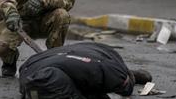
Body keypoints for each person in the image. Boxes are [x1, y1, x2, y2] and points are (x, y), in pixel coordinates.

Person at [19, 42, 152, 99]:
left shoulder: (104, 71)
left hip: (99, 54)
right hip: (41, 61)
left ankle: (130, 73)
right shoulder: (29, 77)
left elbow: (125, 87)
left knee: (123, 82)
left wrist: (128, 76)